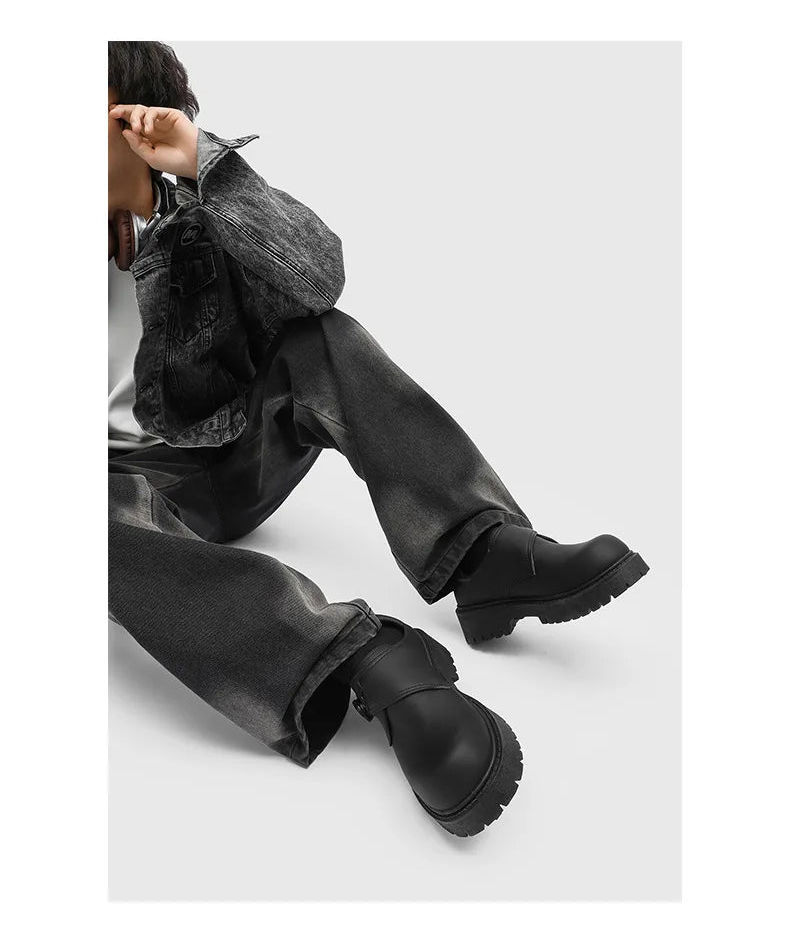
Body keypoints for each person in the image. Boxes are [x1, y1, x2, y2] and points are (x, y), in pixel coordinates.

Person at [108, 41, 649, 838]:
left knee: (320, 337)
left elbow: (317, 278)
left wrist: (204, 167)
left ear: (134, 120)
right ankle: (367, 661)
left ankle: (482, 553)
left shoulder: (195, 211)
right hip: (123, 512)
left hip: (227, 452)